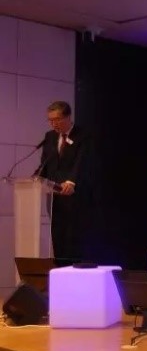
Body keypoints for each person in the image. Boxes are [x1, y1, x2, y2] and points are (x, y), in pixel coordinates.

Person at [38, 101, 89, 261]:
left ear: (68, 117)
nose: (53, 124)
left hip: (74, 196)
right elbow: (46, 163)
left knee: (73, 240)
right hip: (54, 197)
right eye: (50, 120)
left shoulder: (83, 135)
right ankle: (59, 267)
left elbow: (83, 162)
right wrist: (38, 177)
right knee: (58, 237)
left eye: (57, 119)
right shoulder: (50, 136)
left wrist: (72, 181)